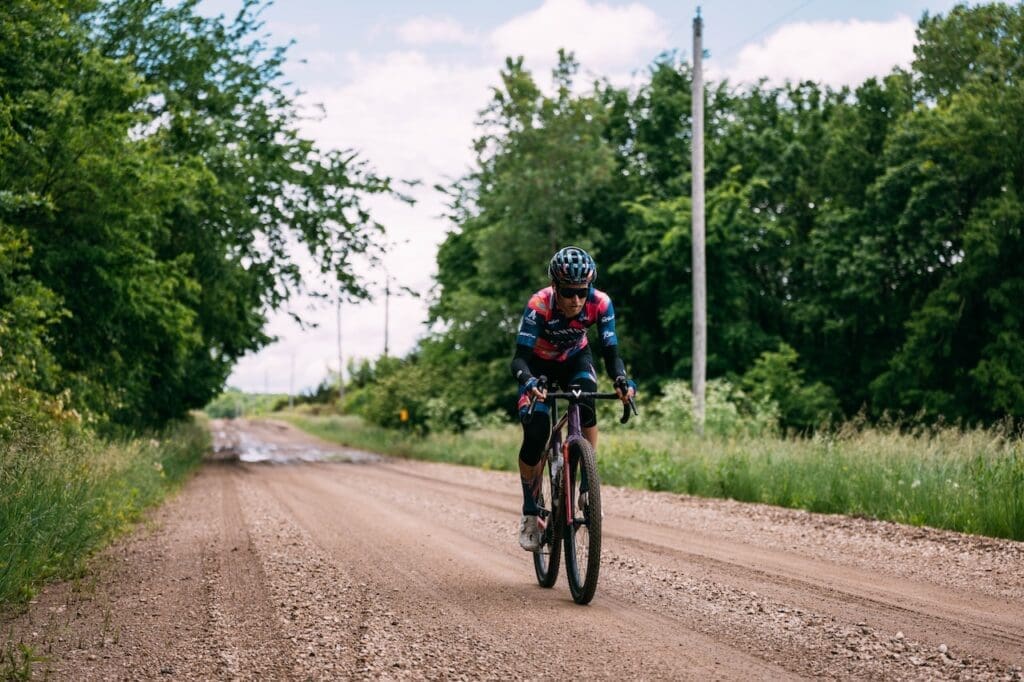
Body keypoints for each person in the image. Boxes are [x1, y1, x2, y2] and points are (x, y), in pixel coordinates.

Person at [510, 246, 636, 551]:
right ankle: (530, 511)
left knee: (586, 403)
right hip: (537, 366)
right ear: (556, 287)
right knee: (537, 433)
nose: (576, 300)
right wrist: (528, 382)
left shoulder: (601, 303)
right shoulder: (539, 305)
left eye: (582, 291)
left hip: (575, 359)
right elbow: (519, 360)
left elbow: (611, 353)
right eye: (568, 293)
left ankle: (586, 490)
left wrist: (621, 379)